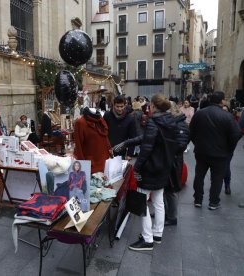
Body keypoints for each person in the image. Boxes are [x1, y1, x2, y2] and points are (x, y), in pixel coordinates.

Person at [117, 94, 179, 251]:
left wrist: (136, 168)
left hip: (150, 169)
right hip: (163, 167)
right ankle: (157, 233)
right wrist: (126, 142)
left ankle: (147, 239)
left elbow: (146, 148)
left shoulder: (154, 122)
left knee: (141, 202)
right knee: (158, 201)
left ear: (153, 106)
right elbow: (146, 138)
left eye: (150, 105)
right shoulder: (170, 121)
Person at [190, 91, 241, 210]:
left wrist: (197, 143)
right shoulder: (227, 116)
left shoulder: (199, 114)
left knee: (199, 176)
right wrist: (229, 148)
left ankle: (198, 199)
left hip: (202, 151)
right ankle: (213, 202)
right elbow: (236, 133)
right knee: (217, 178)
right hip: (220, 153)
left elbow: (191, 132)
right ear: (222, 101)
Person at [164, 101, 190, 226]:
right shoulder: (174, 122)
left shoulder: (180, 125)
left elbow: (181, 145)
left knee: (171, 189)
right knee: (165, 188)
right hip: (169, 159)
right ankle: (165, 212)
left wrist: (166, 148)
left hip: (174, 161)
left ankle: (172, 217)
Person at [74, 107, 111, 173]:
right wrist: (82, 166)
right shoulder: (80, 123)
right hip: (92, 165)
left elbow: (105, 138)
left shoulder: (100, 120)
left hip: (105, 162)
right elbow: (78, 146)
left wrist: (109, 149)